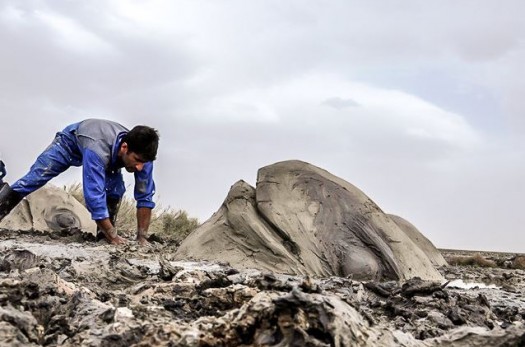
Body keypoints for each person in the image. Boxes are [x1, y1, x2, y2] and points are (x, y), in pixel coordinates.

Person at [0, 119, 159, 245]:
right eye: (137, 161)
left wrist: (142, 238)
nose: (140, 167)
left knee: (115, 190)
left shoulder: (143, 157)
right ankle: (109, 235)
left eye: (144, 162)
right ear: (125, 147)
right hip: (70, 143)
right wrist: (115, 237)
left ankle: (103, 237)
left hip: (110, 155)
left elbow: (145, 196)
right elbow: (94, 197)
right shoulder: (97, 150)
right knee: (34, 179)